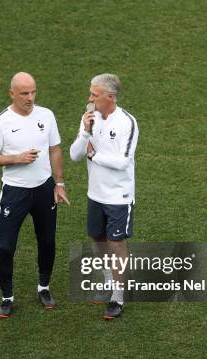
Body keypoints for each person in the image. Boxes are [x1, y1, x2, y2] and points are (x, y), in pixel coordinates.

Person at [0, 72, 70, 318]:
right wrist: (16, 158)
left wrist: (60, 183)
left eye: (33, 92)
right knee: (6, 247)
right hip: (15, 191)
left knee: (47, 242)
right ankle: (7, 297)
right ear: (12, 93)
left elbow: (55, 150)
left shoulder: (47, 115)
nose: (30, 98)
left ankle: (44, 287)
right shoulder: (1, 122)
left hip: (44, 189)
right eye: (24, 93)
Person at [69, 73, 139, 320]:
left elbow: (122, 162)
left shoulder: (127, 123)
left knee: (116, 244)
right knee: (98, 238)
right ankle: (109, 281)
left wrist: (94, 156)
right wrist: (86, 133)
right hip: (95, 194)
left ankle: (118, 298)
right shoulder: (89, 118)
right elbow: (75, 155)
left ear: (110, 97)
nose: (89, 99)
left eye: (94, 95)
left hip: (119, 196)